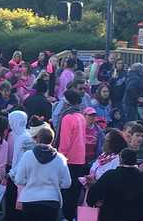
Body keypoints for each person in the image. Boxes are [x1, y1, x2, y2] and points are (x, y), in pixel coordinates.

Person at [87, 148, 143, 221]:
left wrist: (93, 202)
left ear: (121, 160)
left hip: (111, 217)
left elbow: (93, 195)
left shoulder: (110, 175)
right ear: (135, 160)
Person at [13, 127, 72, 221]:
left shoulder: (27, 155)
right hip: (51, 200)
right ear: (52, 140)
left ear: (38, 139)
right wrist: (55, 182)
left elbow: (19, 179)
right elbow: (67, 183)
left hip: (29, 199)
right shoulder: (60, 159)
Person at [55, 90, 86, 221]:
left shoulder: (67, 118)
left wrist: (59, 159)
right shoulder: (81, 116)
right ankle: (71, 216)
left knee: (66, 190)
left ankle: (67, 216)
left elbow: (65, 143)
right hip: (80, 158)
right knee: (75, 192)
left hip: (69, 160)